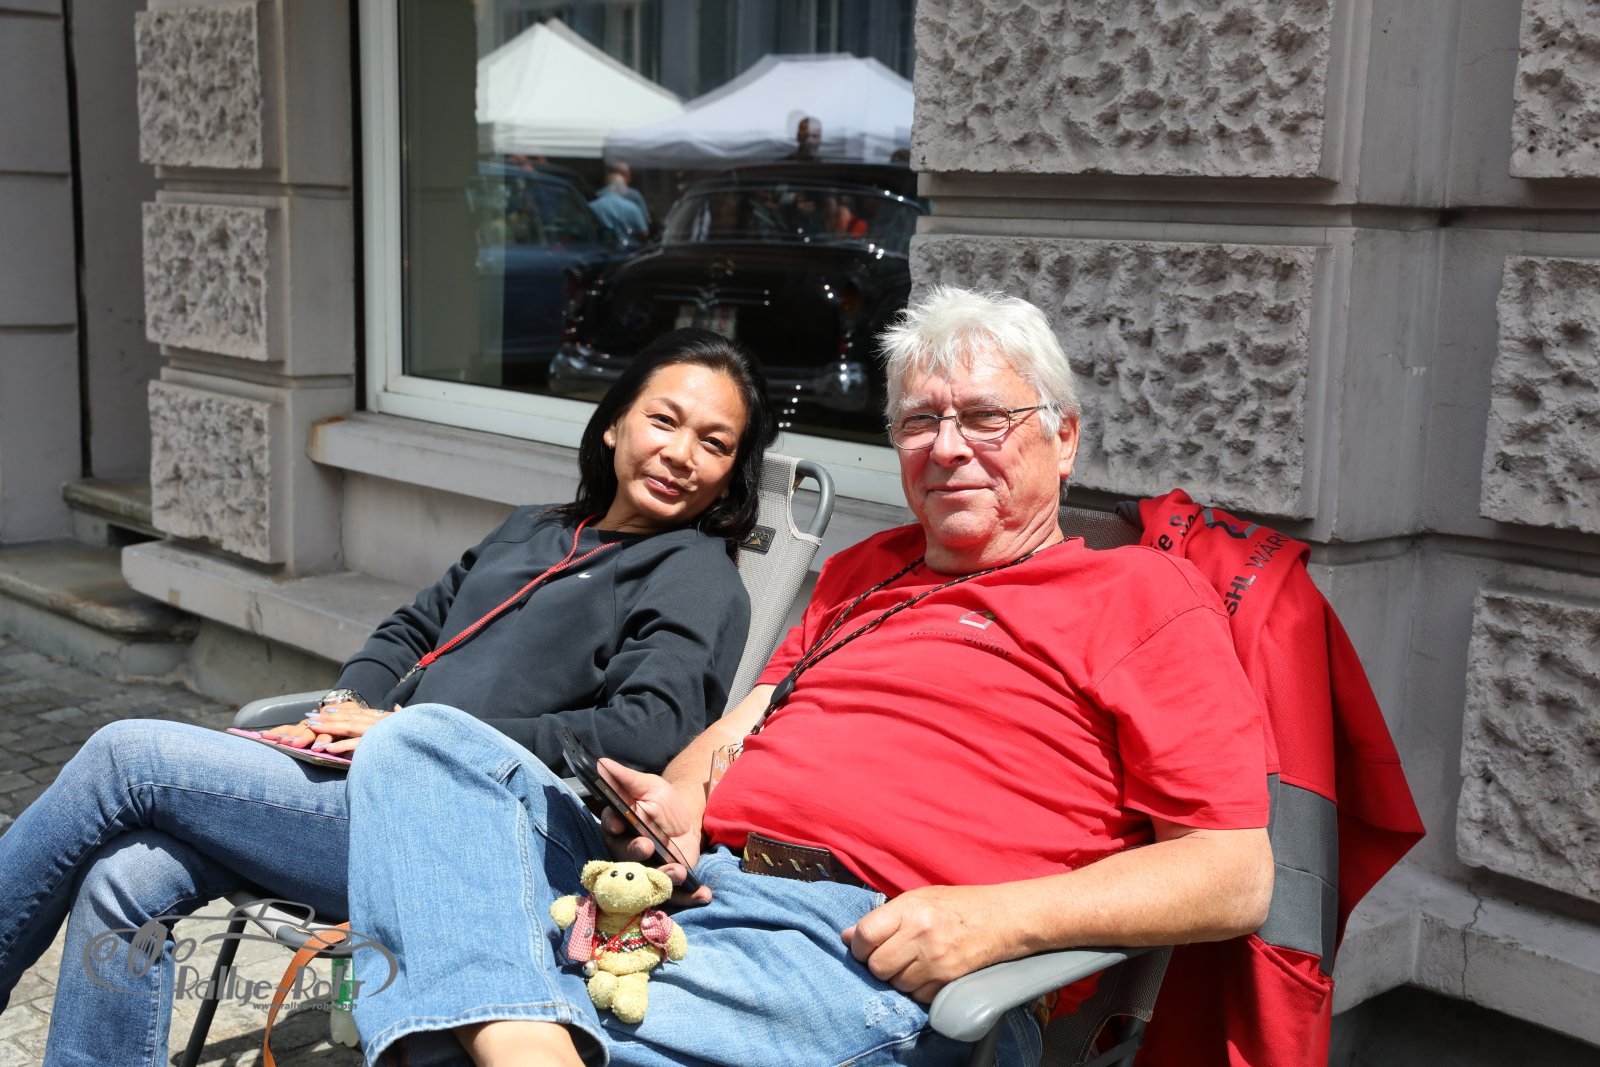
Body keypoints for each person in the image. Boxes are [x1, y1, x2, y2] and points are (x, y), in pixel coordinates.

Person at [343, 287, 1275, 1066]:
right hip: (700, 899)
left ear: (1064, 438)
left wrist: (1001, 921)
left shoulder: (1140, 594)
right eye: (920, 422)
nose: (949, 447)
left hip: (870, 951)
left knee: (439, 998)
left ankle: (506, 1015)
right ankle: (518, 1023)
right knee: (420, 746)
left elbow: (1234, 873)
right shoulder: (865, 574)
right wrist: (680, 800)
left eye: (987, 418)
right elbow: (741, 724)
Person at [0, 328, 778, 1067]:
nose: (681, 454)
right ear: (614, 424)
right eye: (664, 420)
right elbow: (411, 628)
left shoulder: (695, 574)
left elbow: (644, 731)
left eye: (714, 443)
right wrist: (341, 712)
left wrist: (420, 737)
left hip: (470, 837)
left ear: (731, 472)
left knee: (126, 756)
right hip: (363, 784)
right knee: (126, 874)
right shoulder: (534, 528)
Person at [589, 176, 649, 248]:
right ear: (621, 188)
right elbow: (644, 233)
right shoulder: (632, 207)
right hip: (630, 250)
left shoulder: (592, 206)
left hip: (599, 249)